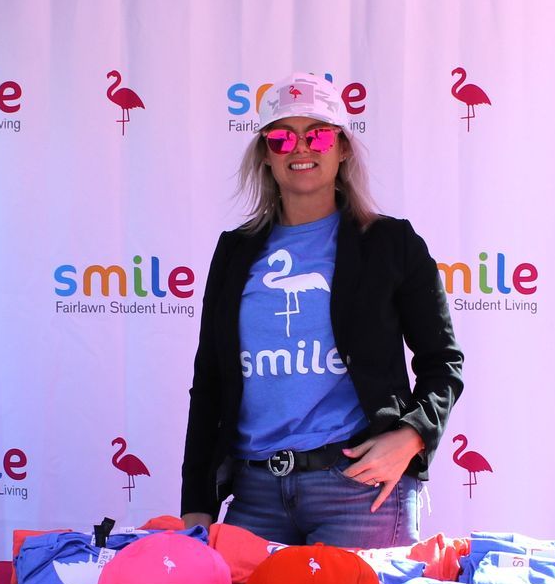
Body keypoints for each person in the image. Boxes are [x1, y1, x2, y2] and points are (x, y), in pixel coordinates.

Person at [180, 74, 464, 547]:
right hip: (255, 497)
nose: (300, 148)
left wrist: (413, 436)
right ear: (266, 155)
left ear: (343, 148)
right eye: (282, 137)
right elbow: (209, 381)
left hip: (359, 494)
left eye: (317, 134)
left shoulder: (389, 245)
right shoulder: (234, 252)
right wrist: (198, 504)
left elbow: (443, 363)